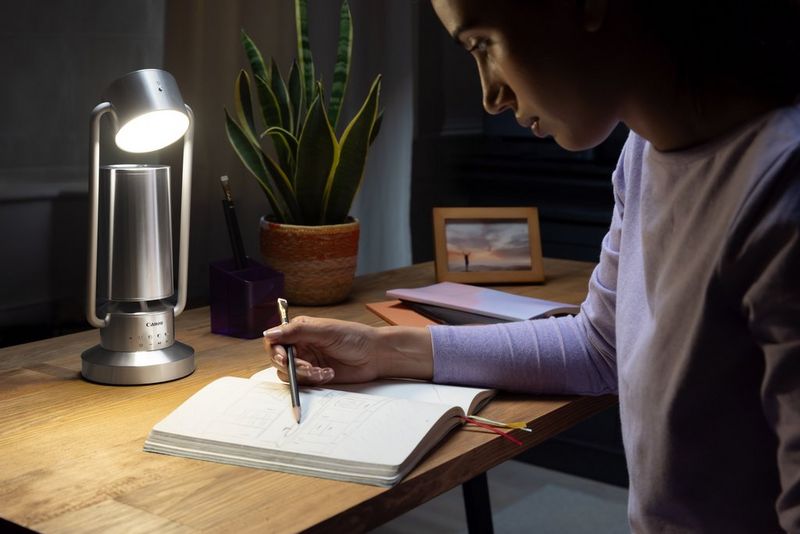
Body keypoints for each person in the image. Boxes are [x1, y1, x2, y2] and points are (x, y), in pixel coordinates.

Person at [264, 0, 800, 531]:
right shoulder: (642, 154)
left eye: (483, 45)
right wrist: (380, 351)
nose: (491, 95)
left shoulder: (781, 186)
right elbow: (599, 346)